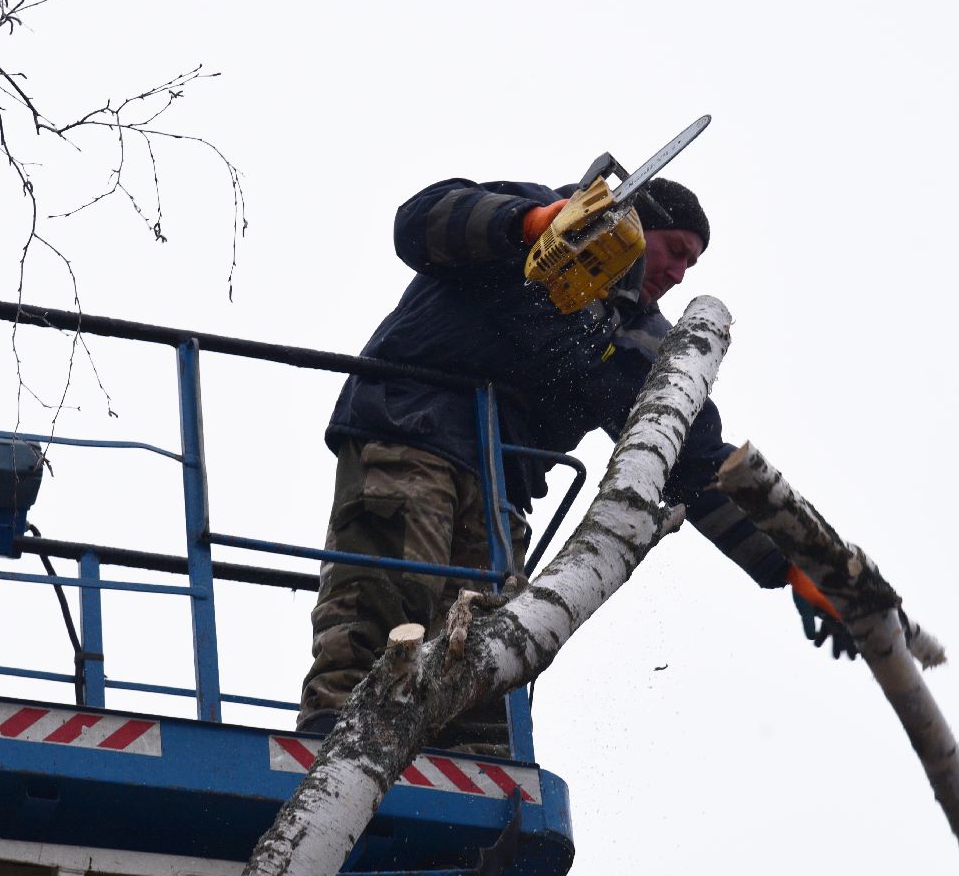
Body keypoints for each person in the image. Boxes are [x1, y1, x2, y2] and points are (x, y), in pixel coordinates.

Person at [298, 174, 852, 751]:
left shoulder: (631, 341)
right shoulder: (537, 223)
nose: (682, 273)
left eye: (693, 264)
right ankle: (334, 738)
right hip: (410, 430)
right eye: (676, 251)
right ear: (637, 225)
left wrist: (791, 563)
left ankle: (477, 763)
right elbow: (419, 220)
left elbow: (691, 455)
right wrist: (530, 225)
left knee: (484, 644)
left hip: (500, 488)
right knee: (393, 594)